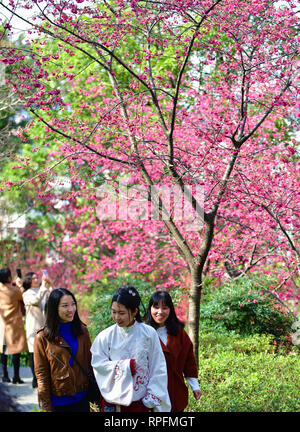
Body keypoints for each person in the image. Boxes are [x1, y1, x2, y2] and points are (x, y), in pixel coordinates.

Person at [91, 285, 171, 412]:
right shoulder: (105, 337)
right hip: (114, 403)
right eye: (114, 311)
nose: (117, 317)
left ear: (134, 311)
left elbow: (158, 367)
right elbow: (98, 365)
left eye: (122, 313)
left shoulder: (149, 333)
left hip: (141, 402)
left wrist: (150, 398)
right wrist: (126, 366)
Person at [33, 288, 92, 412]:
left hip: (82, 399)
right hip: (59, 402)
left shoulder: (82, 331)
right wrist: (46, 405)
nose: (71, 309)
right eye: (65, 306)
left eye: (73, 304)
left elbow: (90, 363)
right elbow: (41, 374)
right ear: (54, 309)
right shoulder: (42, 338)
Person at [145, 290, 201, 412]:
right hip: (150, 393)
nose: (160, 312)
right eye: (156, 307)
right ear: (150, 309)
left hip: (175, 391)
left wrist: (195, 386)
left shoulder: (179, 332)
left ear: (170, 310)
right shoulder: (143, 333)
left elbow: (189, 361)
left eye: (164, 308)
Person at [22, 271, 53, 388]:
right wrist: (44, 288)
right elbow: (35, 301)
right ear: (28, 281)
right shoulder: (27, 294)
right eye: (33, 278)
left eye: (37, 277)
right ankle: (35, 379)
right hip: (34, 327)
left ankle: (45, 378)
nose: (36, 279)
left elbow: (53, 297)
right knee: (34, 353)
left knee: (45, 352)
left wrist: (49, 285)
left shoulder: (42, 290)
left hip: (45, 325)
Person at [0, 267, 28, 384]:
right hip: (14, 324)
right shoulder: (14, 290)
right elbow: (24, 297)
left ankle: (5, 375)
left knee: (3, 350)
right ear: (8, 278)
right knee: (16, 351)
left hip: (2, 323)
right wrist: (19, 285)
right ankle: (16, 377)